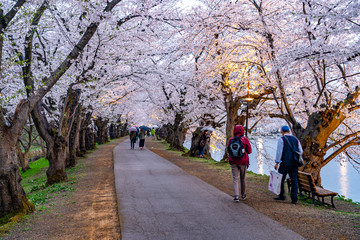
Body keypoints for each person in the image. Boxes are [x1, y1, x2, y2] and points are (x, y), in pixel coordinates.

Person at [274, 125, 303, 204]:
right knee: (294, 181)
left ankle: (281, 195)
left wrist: (277, 163)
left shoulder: (282, 139)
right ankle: (294, 199)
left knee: (281, 179)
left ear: (282, 132)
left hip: (285, 163)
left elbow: (279, 152)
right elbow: (300, 151)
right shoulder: (296, 139)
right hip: (294, 163)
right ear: (289, 131)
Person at [227, 125, 252, 202]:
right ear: (242, 131)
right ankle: (243, 195)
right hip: (243, 162)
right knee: (242, 178)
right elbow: (250, 151)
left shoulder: (231, 139)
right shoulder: (244, 139)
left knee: (235, 179)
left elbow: (228, 150)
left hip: (233, 162)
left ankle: (236, 196)